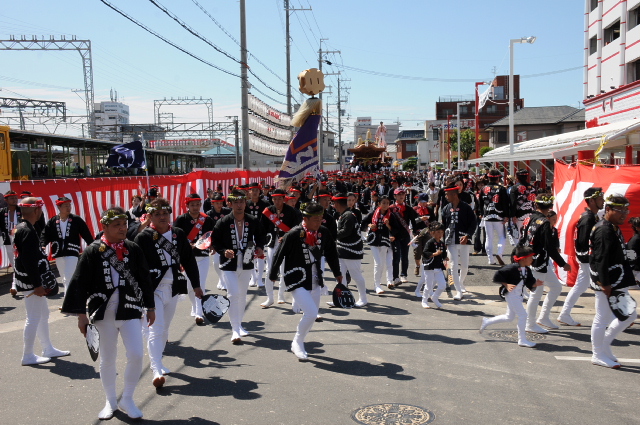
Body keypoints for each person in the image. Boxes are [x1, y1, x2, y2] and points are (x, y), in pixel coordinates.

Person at [62, 207, 155, 420]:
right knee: (107, 358)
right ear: (104, 226)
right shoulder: (93, 251)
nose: (122, 229)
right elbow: (79, 282)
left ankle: (128, 398)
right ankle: (110, 400)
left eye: (124, 224)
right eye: (117, 225)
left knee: (136, 354)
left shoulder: (133, 248)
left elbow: (144, 279)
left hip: (130, 309)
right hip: (103, 312)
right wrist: (81, 315)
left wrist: (150, 307)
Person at [134, 198, 202, 388]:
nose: (162, 217)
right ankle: (155, 368)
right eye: (157, 214)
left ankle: (159, 360)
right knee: (156, 329)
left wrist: (196, 285)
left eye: (165, 213)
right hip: (152, 290)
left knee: (164, 330)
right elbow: (136, 267)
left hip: (173, 288)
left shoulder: (178, 234)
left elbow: (188, 260)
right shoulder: (143, 238)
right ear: (150, 216)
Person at [269, 203, 342, 361]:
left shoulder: (323, 232)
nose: (319, 222)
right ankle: (297, 342)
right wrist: (273, 274)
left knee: (312, 315)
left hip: (315, 279)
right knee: (311, 313)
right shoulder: (294, 234)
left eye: (320, 218)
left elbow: (331, 253)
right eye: (315, 219)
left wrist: (337, 273)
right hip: (296, 278)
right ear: (305, 219)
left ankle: (300, 340)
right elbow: (279, 254)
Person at [14, 197, 69, 366]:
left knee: (43, 314)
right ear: (37, 211)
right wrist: (37, 285)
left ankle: (47, 348)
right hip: (31, 282)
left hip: (30, 280)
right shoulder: (27, 231)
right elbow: (28, 261)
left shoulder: (23, 227)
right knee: (33, 317)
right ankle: (28, 355)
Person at [589, 194, 637, 368]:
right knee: (603, 318)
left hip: (616, 279)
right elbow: (600, 258)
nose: (624, 214)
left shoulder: (612, 227)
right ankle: (598, 353)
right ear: (608, 209)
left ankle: (604, 346)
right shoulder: (604, 230)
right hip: (608, 282)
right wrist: (605, 284)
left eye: (626, 210)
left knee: (628, 314)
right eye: (620, 210)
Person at [211, 190, 265, 344]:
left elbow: (261, 235)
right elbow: (215, 241)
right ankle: (235, 329)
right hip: (229, 263)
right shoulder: (223, 222)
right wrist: (223, 251)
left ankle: (239, 324)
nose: (239, 205)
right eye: (236, 202)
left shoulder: (252, 220)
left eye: (242, 202)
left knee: (242, 295)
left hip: (246, 261)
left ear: (245, 203)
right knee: (233, 294)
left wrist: (259, 247)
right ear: (230, 204)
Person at [521, 194, 571, 333]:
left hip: (531, 259)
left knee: (556, 287)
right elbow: (549, 247)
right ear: (550, 206)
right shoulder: (544, 223)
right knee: (536, 293)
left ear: (536, 205)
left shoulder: (529, 218)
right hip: (538, 261)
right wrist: (563, 264)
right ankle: (530, 324)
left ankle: (543, 318)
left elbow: (522, 238)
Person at [557, 188, 604, 326]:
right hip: (589, 260)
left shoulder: (591, 216)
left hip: (588, 259)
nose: (603, 201)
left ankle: (564, 314)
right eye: (600, 198)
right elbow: (583, 243)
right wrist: (590, 259)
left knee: (582, 286)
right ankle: (609, 317)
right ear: (592, 201)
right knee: (600, 287)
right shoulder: (588, 218)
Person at [479, 246, 543, 348]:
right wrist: (506, 284)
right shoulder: (512, 268)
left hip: (518, 295)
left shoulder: (527, 270)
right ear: (523, 259)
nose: (532, 259)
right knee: (523, 315)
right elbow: (498, 275)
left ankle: (487, 321)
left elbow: (529, 282)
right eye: (530, 257)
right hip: (512, 295)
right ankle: (522, 339)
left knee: (509, 317)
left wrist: (535, 284)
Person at [173, 193, 214, 325]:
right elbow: (175, 237)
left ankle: (199, 313)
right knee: (190, 286)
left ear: (201, 205)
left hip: (203, 256)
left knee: (200, 284)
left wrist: (212, 245)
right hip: (187, 258)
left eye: (197, 205)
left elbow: (212, 235)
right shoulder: (181, 219)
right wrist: (186, 245)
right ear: (187, 206)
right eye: (192, 205)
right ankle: (195, 306)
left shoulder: (207, 219)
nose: (195, 207)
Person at [40, 196, 94, 294]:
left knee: (68, 275)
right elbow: (45, 234)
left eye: (69, 205)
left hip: (72, 251)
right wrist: (43, 244)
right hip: (58, 252)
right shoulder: (53, 221)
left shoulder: (76, 219)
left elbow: (86, 233)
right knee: (64, 276)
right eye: (66, 206)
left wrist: (92, 245)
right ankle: (76, 295)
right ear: (59, 207)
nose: (68, 208)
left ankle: (67, 300)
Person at [261, 188, 300, 307]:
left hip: (286, 244)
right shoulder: (268, 211)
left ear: (284, 199)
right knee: (269, 269)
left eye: (279, 199)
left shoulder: (292, 211)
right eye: (274, 199)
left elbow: (297, 228)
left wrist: (287, 237)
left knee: (284, 270)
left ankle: (281, 294)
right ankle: (269, 297)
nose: (277, 201)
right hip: (272, 243)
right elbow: (262, 228)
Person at [441, 183, 476, 300]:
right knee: (453, 265)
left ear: (454, 195)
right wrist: (443, 241)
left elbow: (473, 223)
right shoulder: (446, 208)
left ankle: (460, 283)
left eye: (448, 194)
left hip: (463, 240)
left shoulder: (466, 207)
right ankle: (458, 291)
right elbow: (444, 225)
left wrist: (468, 235)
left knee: (465, 266)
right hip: (450, 240)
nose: (446, 196)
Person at [333, 193, 368, 307]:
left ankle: (363, 298)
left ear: (338, 203)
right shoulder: (344, 215)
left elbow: (345, 232)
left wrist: (331, 235)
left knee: (355, 275)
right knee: (340, 275)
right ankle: (341, 299)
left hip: (352, 251)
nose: (333, 206)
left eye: (334, 203)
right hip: (342, 250)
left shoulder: (348, 216)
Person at [361, 196, 396, 294]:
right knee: (378, 263)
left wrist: (388, 224)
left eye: (387, 203)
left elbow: (395, 228)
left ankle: (378, 283)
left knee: (382, 263)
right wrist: (369, 225)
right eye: (383, 203)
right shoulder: (373, 213)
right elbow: (364, 222)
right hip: (374, 240)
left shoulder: (391, 215)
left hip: (384, 241)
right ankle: (377, 285)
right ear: (379, 204)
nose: (385, 205)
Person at [389, 188, 419, 287]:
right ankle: (395, 277)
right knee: (396, 257)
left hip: (405, 235)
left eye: (403, 194)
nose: (401, 196)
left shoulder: (408, 208)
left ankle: (404, 274)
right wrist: (390, 234)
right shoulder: (391, 208)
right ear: (395, 196)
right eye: (399, 194)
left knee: (405, 257)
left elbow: (413, 221)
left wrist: (415, 232)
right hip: (395, 236)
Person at [480, 169, 510, 265]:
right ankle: (499, 253)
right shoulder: (502, 189)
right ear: (498, 178)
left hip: (487, 216)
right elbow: (505, 203)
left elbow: (480, 203)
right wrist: (506, 215)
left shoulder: (483, 188)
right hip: (499, 216)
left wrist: (481, 213)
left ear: (488, 178)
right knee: (502, 236)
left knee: (489, 238)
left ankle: (490, 259)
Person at [420, 222, 448, 309]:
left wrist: (445, 257)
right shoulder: (430, 242)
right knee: (428, 286)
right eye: (438, 232)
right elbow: (425, 253)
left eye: (442, 232)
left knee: (443, 285)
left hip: (438, 267)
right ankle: (424, 301)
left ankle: (435, 297)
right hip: (430, 267)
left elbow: (443, 253)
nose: (440, 234)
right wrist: (434, 254)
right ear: (432, 233)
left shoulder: (442, 243)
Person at [207, 193, 231, 290]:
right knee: (216, 262)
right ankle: (221, 278)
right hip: (215, 241)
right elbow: (207, 230)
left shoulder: (228, 211)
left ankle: (224, 280)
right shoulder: (209, 214)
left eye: (221, 203)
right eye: (217, 203)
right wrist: (210, 244)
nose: (219, 205)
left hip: (227, 240)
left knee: (226, 261)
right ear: (212, 203)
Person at [1, 191, 22, 296]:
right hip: (9, 240)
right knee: (14, 263)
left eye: (15, 198)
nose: (14, 200)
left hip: (21, 240)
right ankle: (17, 284)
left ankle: (15, 285)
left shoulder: (21, 210)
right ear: (6, 200)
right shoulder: (3, 212)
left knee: (20, 262)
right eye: (12, 198)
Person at [509, 169, 537, 244]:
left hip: (519, 214)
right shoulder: (533, 188)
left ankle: (520, 249)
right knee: (529, 234)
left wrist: (513, 215)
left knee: (519, 234)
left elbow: (513, 203)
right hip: (531, 214)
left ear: (517, 177)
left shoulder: (515, 188)